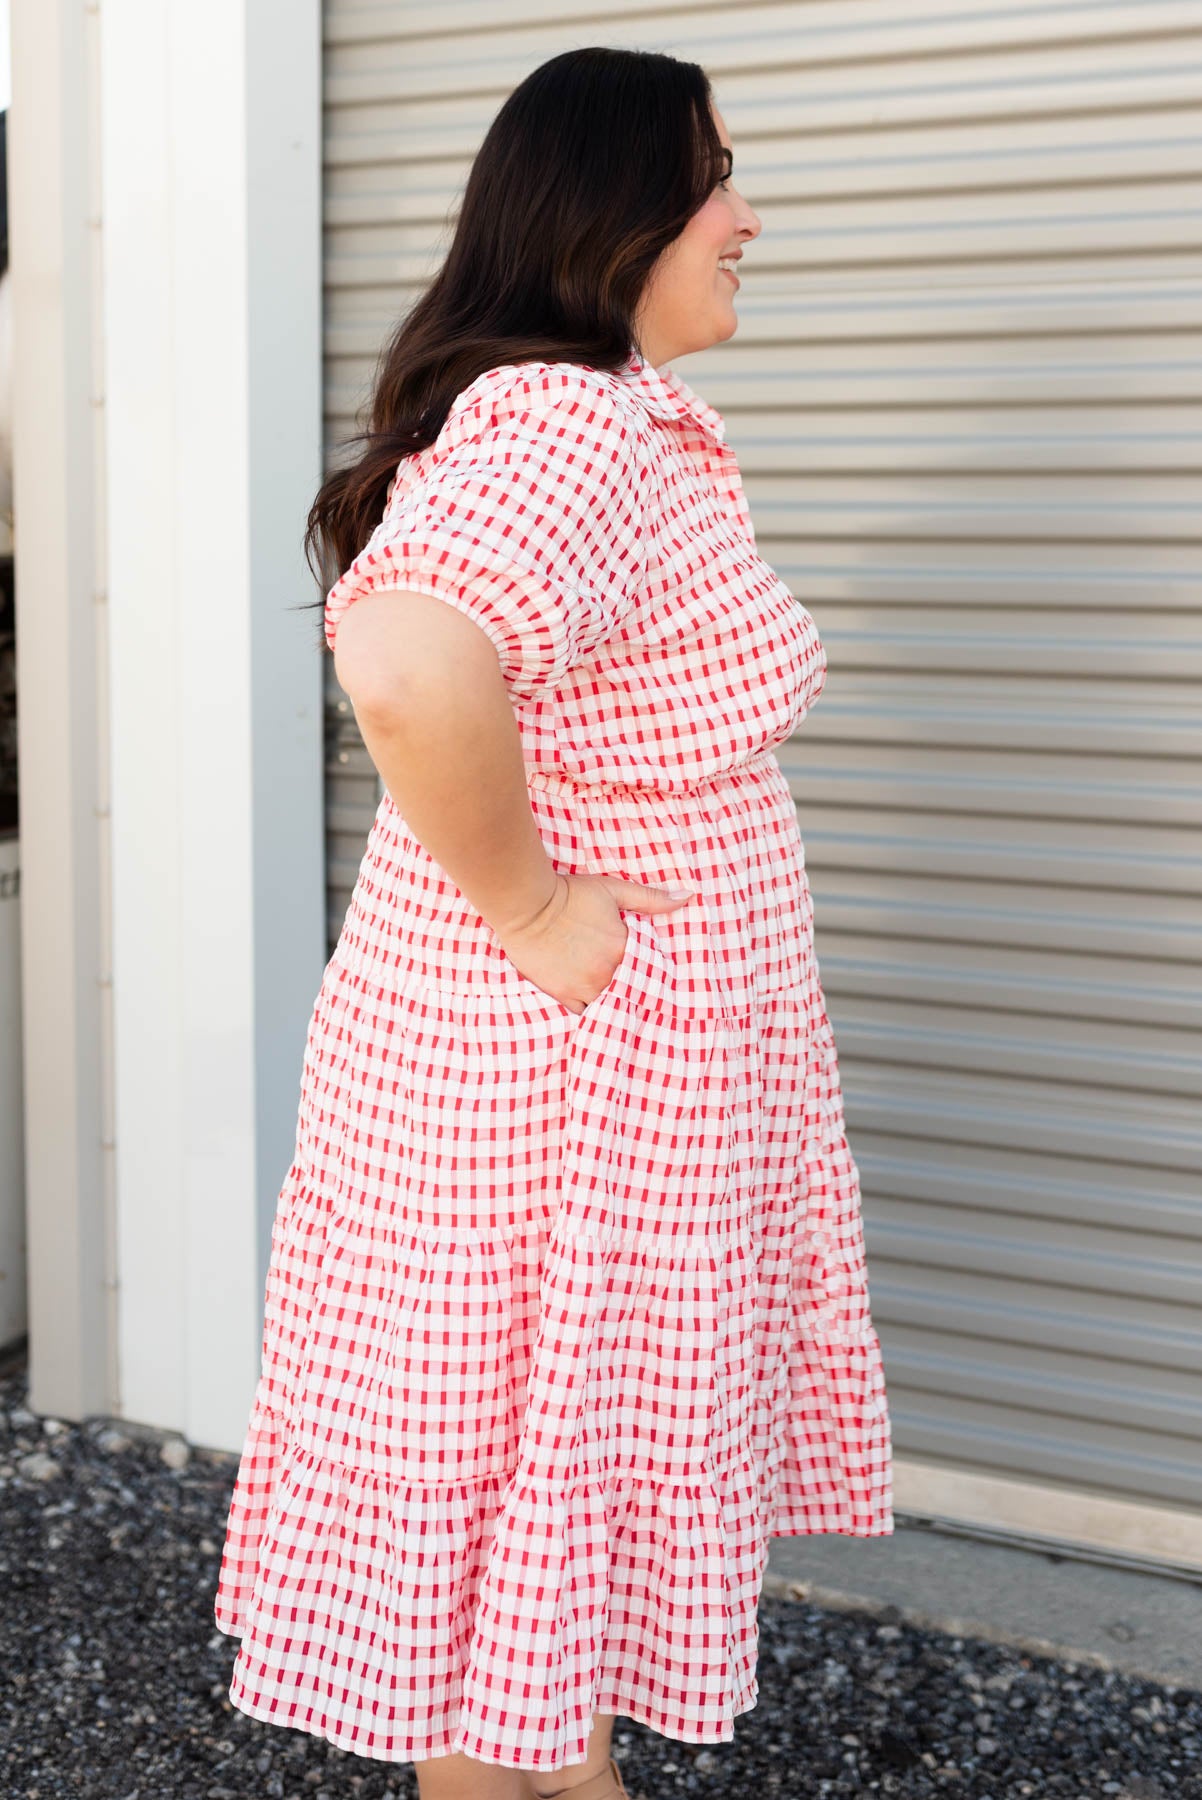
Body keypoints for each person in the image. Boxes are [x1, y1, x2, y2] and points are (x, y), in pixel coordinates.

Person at [214, 44, 893, 1800]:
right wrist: (529, 901)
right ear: (615, 217)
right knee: (518, 1518)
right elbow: (408, 651)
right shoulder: (567, 418)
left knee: (530, 1550)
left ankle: (562, 1761)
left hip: (566, 1083)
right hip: (560, 1093)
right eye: (715, 178)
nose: (749, 216)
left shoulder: (603, 417)